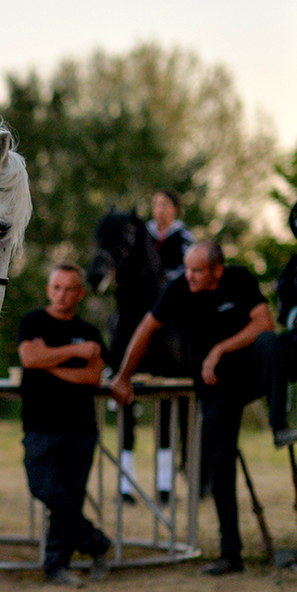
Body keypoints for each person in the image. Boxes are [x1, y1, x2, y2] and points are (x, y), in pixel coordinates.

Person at [111, 241, 297, 576]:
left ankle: (279, 423)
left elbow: (264, 323)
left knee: (275, 343)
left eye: (197, 270)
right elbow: (146, 329)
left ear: (217, 270)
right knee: (219, 466)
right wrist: (123, 376)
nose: (190, 276)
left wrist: (219, 350)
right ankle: (231, 554)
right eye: (187, 268)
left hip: (251, 373)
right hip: (216, 386)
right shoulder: (179, 288)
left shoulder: (239, 279)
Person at [17, 263, 112, 587]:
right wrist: (74, 353)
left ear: (81, 293)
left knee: (69, 498)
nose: (62, 295)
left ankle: (57, 566)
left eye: (69, 289)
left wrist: (50, 363)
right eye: (56, 288)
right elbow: (30, 359)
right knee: (45, 488)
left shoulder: (91, 332)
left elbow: (93, 377)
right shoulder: (33, 321)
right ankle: (97, 544)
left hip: (80, 428)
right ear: (48, 289)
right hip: (39, 426)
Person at [119, 189, 196, 503]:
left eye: (165, 204)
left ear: (175, 208)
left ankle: (167, 479)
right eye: (156, 204)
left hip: (170, 305)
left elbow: (187, 272)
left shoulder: (184, 238)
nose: (160, 209)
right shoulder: (143, 236)